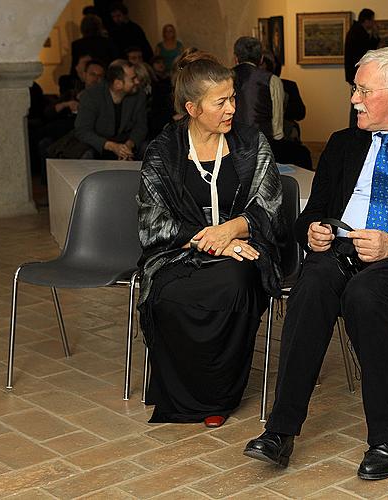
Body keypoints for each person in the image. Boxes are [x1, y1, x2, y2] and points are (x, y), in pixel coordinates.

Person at [243, 47, 388, 479]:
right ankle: (280, 431)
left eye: (363, 91)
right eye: (356, 90)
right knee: (313, 284)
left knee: (366, 294)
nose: (354, 99)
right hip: (342, 249)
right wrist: (313, 230)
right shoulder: (343, 143)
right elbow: (315, 210)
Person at [136, 52, 284, 428]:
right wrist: (211, 241)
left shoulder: (252, 143)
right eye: (221, 101)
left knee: (233, 283)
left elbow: (270, 208)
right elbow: (153, 222)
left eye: (233, 97)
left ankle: (218, 396)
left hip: (244, 251)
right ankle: (180, 394)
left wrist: (230, 231)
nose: (232, 108)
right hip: (178, 255)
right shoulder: (163, 151)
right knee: (167, 298)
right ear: (193, 107)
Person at [74, 59, 147, 160]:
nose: (137, 81)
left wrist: (129, 144)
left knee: (147, 148)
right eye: (133, 78)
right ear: (118, 84)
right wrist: (112, 146)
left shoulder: (139, 95)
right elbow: (82, 131)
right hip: (99, 144)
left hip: (126, 143)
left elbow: (141, 126)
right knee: (86, 153)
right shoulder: (91, 95)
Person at [232, 36, 284, 142]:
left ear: (236, 58)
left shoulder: (224, 78)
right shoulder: (272, 80)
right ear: (261, 59)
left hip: (230, 142)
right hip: (261, 142)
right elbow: (277, 127)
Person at [344, 8, 379, 127]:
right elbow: (368, 53)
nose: (374, 23)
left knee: (358, 104)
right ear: (367, 20)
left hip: (355, 74)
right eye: (372, 20)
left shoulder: (356, 31)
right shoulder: (359, 33)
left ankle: (356, 131)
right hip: (357, 75)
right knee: (358, 105)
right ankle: (356, 132)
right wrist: (375, 36)